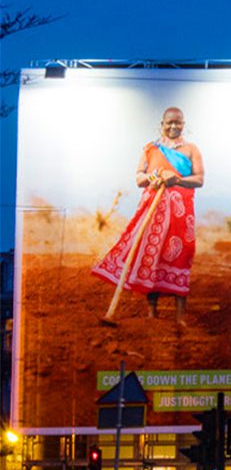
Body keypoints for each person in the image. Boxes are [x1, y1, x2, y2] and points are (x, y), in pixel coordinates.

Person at [92, 106, 204, 319]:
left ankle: (180, 318)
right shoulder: (150, 149)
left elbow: (199, 180)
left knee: (182, 256)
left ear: (183, 125)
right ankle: (152, 314)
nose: (173, 126)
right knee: (152, 257)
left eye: (177, 122)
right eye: (169, 122)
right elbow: (139, 178)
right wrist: (153, 176)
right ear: (161, 125)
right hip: (153, 211)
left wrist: (178, 179)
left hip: (181, 214)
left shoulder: (191, 150)